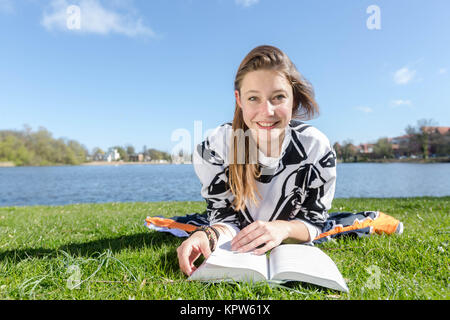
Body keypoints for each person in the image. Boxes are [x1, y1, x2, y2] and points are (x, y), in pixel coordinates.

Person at [177, 45, 337, 276]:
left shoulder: (317, 148)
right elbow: (225, 219)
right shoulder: (214, 148)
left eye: (278, 97)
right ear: (239, 99)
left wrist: (282, 229)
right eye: (254, 98)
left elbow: (314, 221)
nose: (267, 111)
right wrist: (208, 235)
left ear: (293, 98)